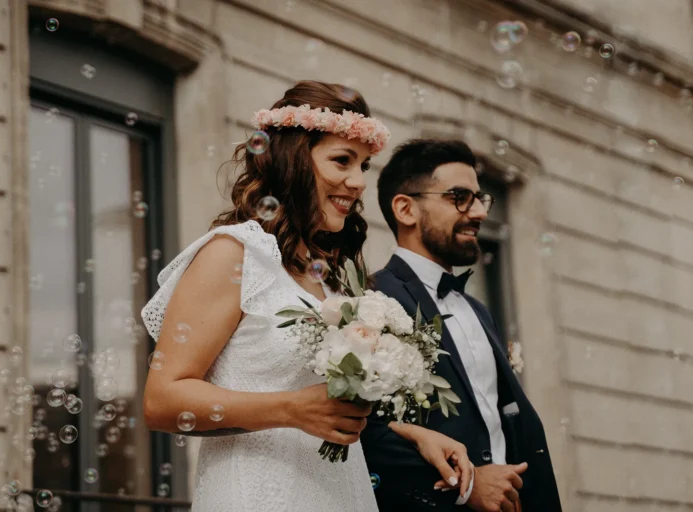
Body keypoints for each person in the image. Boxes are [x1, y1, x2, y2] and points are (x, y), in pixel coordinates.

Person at [141, 82, 473, 511]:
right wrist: (290, 409)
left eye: (364, 166)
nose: (356, 183)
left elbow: (324, 408)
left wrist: (411, 433)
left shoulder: (332, 276)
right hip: (258, 495)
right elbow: (162, 400)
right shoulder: (233, 254)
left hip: (340, 492)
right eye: (341, 161)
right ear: (294, 159)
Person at [362, 139, 562, 512]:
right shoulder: (370, 301)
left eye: (479, 198)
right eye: (459, 197)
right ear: (406, 209)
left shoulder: (477, 310)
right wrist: (465, 488)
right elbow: (364, 435)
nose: (479, 213)